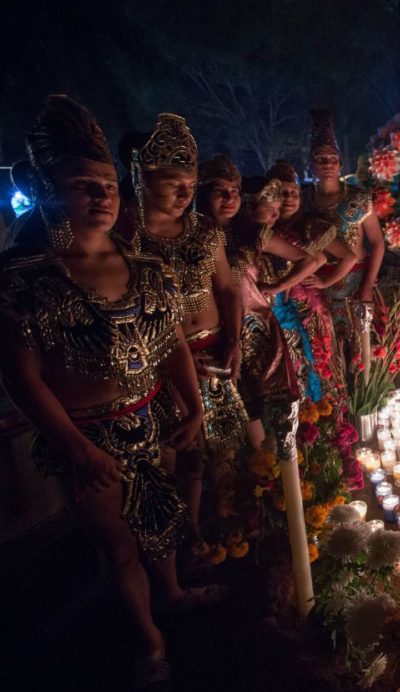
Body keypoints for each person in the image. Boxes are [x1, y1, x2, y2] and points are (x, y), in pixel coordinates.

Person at [0, 96, 206, 689]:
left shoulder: (144, 264)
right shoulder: (24, 279)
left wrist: (191, 406)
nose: (103, 195)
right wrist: (77, 447)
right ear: (47, 189)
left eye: (109, 183)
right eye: (83, 184)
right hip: (88, 438)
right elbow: (22, 378)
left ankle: (170, 591)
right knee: (117, 548)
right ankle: (150, 640)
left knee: (163, 521)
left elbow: (171, 344)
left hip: (153, 417)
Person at [122, 114, 247, 545]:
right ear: (143, 179)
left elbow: (229, 290)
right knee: (182, 450)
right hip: (164, 360)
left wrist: (234, 340)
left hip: (215, 348)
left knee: (227, 441)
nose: (183, 194)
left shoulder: (205, 232)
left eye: (190, 185)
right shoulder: (126, 240)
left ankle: (230, 518)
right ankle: (187, 534)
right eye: (172, 183)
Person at [199, 157, 321, 448]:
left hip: (256, 332)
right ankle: (255, 478)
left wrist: (277, 286)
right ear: (203, 195)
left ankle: (281, 474)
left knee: (267, 407)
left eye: (235, 191)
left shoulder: (254, 233)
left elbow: (312, 258)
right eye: (221, 191)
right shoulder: (193, 238)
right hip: (214, 332)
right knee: (229, 412)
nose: (230, 198)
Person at [303, 109, 386, 373]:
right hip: (317, 285)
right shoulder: (304, 202)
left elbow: (377, 243)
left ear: (340, 164)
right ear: (312, 164)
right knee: (327, 355)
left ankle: (367, 407)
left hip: (355, 282)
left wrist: (368, 285)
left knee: (362, 352)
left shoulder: (359, 198)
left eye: (332, 158)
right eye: (320, 159)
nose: (327, 163)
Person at [265, 159, 352, 405]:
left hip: (310, 308)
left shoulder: (310, 227)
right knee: (292, 368)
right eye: (283, 193)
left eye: (294, 192)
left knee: (320, 361)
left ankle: (331, 423)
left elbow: (348, 256)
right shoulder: (265, 229)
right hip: (279, 311)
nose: (290, 198)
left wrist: (324, 283)